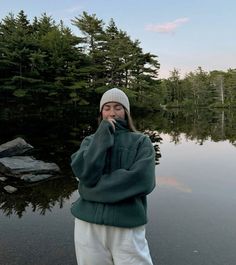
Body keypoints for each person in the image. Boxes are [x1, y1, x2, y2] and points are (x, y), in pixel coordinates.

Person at [70, 87, 156, 265]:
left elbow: (142, 180)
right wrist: (101, 135)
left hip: (127, 224)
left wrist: (90, 190)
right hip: (87, 224)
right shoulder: (89, 141)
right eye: (107, 107)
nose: (112, 112)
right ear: (101, 112)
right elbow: (84, 172)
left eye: (118, 107)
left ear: (126, 111)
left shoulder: (141, 142)